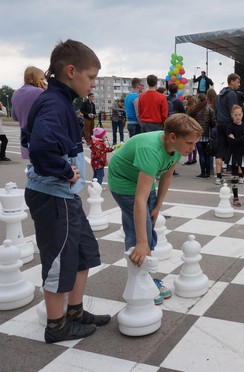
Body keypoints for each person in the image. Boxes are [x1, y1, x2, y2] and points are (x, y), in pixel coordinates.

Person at [22, 39, 110, 343]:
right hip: (53, 196)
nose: (94, 84)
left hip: (64, 197)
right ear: (71, 71)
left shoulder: (57, 102)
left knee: (83, 253)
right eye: (92, 77)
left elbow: (33, 138)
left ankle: (74, 311)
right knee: (59, 260)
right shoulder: (54, 103)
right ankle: (57, 325)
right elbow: (42, 147)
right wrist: (64, 170)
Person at [108, 114, 202, 305]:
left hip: (143, 178)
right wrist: (143, 242)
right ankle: (140, 280)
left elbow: (167, 176)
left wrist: (158, 206)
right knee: (138, 232)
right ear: (173, 137)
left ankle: (145, 274)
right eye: (190, 143)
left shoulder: (175, 148)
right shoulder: (151, 150)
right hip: (123, 181)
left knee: (148, 226)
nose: (193, 149)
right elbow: (139, 200)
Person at [11, 66, 47, 159]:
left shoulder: (16, 93)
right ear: (37, 79)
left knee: (36, 166)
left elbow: (14, 117)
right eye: (42, 79)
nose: (44, 82)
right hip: (43, 137)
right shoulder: (39, 92)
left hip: (25, 137)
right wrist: (47, 91)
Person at [215, 73, 241, 185]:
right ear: (231, 81)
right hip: (229, 125)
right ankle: (238, 176)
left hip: (219, 124)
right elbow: (234, 111)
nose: (239, 84)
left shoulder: (219, 94)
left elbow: (216, 111)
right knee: (236, 150)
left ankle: (218, 177)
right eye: (237, 82)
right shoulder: (231, 94)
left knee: (220, 152)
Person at [187, 93, 216, 178]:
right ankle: (208, 172)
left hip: (198, 135)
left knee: (201, 155)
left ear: (198, 99)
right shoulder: (210, 110)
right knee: (207, 155)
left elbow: (190, 121)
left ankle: (203, 172)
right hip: (207, 135)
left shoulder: (194, 110)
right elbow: (213, 123)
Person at [183, 95, 197, 165]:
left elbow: (187, 117)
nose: (185, 101)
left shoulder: (189, 108)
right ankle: (194, 158)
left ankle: (190, 159)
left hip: (189, 126)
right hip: (194, 126)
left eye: (186, 99)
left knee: (189, 143)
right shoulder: (195, 106)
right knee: (194, 143)